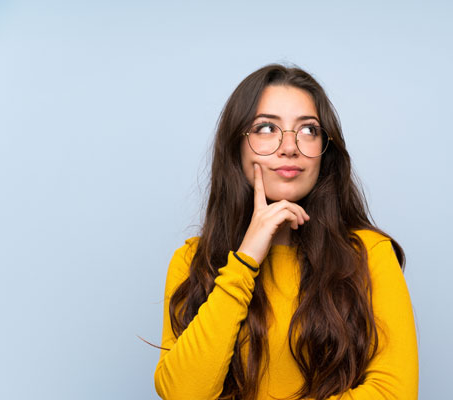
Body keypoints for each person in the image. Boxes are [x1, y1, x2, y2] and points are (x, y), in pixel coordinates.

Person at [152, 64, 418, 400]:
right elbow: (182, 394)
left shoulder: (369, 254)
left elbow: (394, 393)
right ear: (237, 146)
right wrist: (246, 260)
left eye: (308, 130)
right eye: (266, 128)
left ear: (325, 151)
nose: (289, 147)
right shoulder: (192, 261)